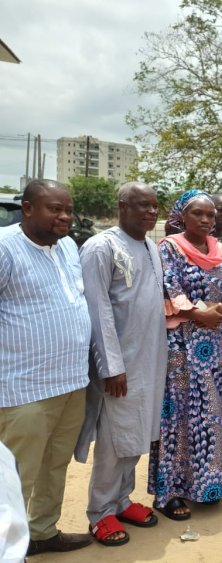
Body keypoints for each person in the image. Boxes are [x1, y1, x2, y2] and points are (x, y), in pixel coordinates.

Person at [0, 179, 92, 556]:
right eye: (54, 209)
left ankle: (42, 532)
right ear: (27, 208)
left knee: (55, 466)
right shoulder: (5, 248)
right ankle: (8, 550)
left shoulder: (68, 246)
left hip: (71, 383)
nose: (64, 217)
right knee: (14, 478)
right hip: (24, 387)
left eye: (68, 209)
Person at [75, 182, 168, 546]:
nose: (150, 212)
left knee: (137, 433)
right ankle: (100, 513)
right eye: (141, 205)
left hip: (150, 358)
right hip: (121, 365)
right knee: (116, 438)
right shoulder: (101, 247)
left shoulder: (150, 246)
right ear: (122, 206)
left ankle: (122, 499)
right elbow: (97, 310)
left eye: (154, 206)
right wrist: (111, 366)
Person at [149, 190, 222, 521]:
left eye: (210, 215)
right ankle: (170, 492)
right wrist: (202, 314)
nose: (205, 220)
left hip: (214, 348)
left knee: (211, 414)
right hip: (182, 347)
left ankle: (207, 485)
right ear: (182, 216)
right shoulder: (169, 248)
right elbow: (170, 290)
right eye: (197, 213)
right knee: (179, 416)